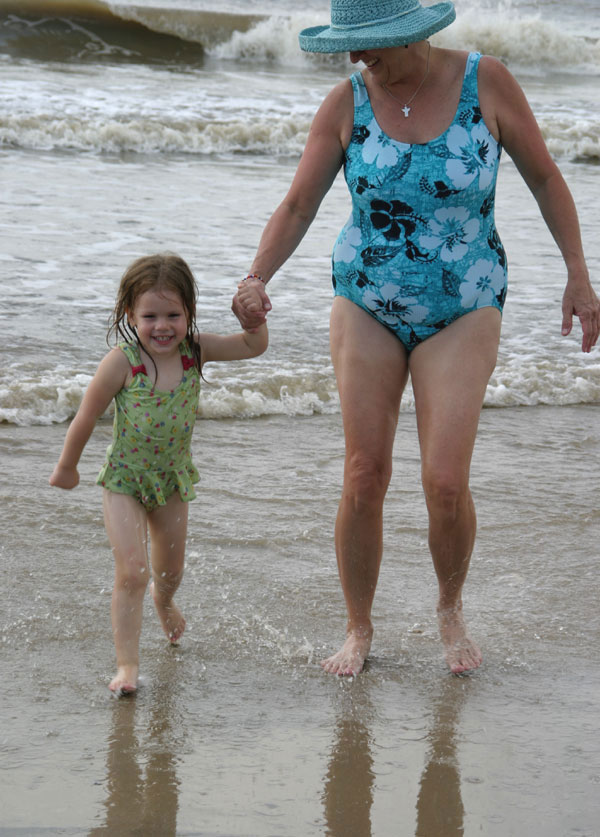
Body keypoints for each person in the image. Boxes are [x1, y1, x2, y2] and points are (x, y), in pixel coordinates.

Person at [232, 0, 599, 676]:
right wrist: (256, 277)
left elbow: (546, 176)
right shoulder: (347, 102)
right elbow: (298, 204)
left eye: (369, 46)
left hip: (464, 301)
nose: (356, 59)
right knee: (364, 474)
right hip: (366, 297)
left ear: (412, 35)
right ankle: (358, 627)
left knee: (445, 484)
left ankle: (449, 606)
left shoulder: (486, 83)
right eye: (351, 47)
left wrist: (579, 274)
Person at [50, 253, 268, 694]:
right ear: (131, 314)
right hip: (124, 482)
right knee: (132, 570)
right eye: (150, 316)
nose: (162, 326)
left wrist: (253, 316)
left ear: (189, 312)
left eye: (174, 314)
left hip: (171, 482)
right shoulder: (122, 362)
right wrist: (67, 467)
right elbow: (86, 417)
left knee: (168, 574)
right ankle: (127, 667)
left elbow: (252, 346)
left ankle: (164, 603)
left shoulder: (196, 351)